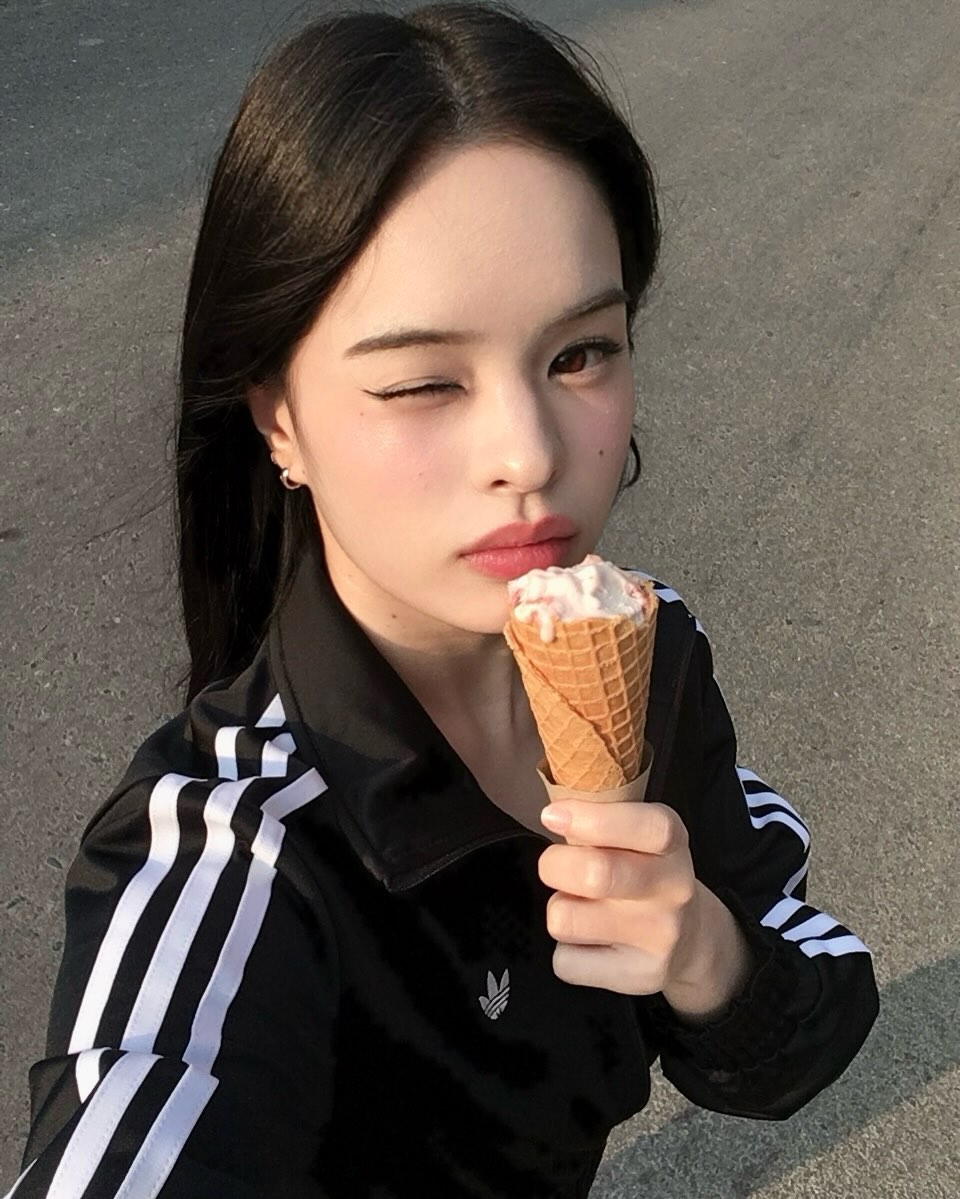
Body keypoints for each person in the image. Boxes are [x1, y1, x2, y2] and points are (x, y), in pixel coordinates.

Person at [8, 3, 878, 1196]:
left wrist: (709, 956)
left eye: (581, 353)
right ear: (278, 418)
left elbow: (807, 998)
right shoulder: (236, 851)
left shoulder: (655, 648)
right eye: (423, 382)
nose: (529, 452)